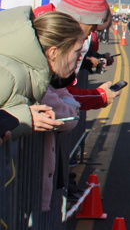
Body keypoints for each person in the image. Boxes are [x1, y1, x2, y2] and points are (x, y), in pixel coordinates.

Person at [0, 8, 85, 138]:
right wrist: (23, 119)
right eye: (77, 51)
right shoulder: (9, 75)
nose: (80, 57)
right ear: (53, 53)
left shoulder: (25, 74)